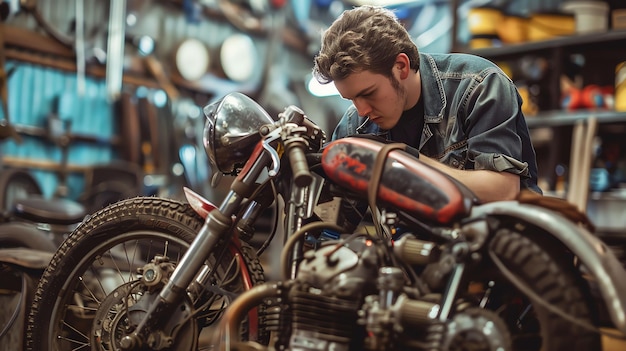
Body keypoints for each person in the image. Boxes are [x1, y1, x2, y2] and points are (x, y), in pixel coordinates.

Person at [312, 5, 542, 203]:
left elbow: (502, 191)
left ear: (401, 66)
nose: (362, 110)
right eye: (352, 99)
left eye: (369, 93)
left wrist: (403, 160)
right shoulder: (355, 126)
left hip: (501, 245)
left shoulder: (479, 86)